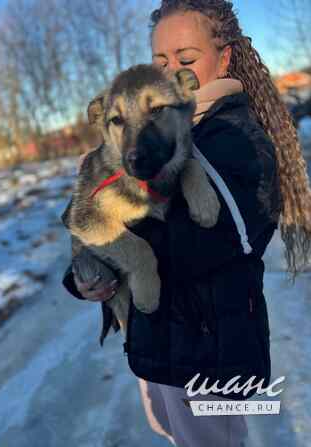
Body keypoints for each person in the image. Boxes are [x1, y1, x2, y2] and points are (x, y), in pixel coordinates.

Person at [62, 1, 311, 446]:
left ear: (225, 58)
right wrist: (86, 271)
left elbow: (205, 241)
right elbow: (92, 218)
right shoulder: (153, 134)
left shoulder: (236, 135)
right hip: (157, 346)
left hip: (212, 359)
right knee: (173, 434)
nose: (170, 70)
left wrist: (115, 234)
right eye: (159, 61)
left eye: (186, 58)